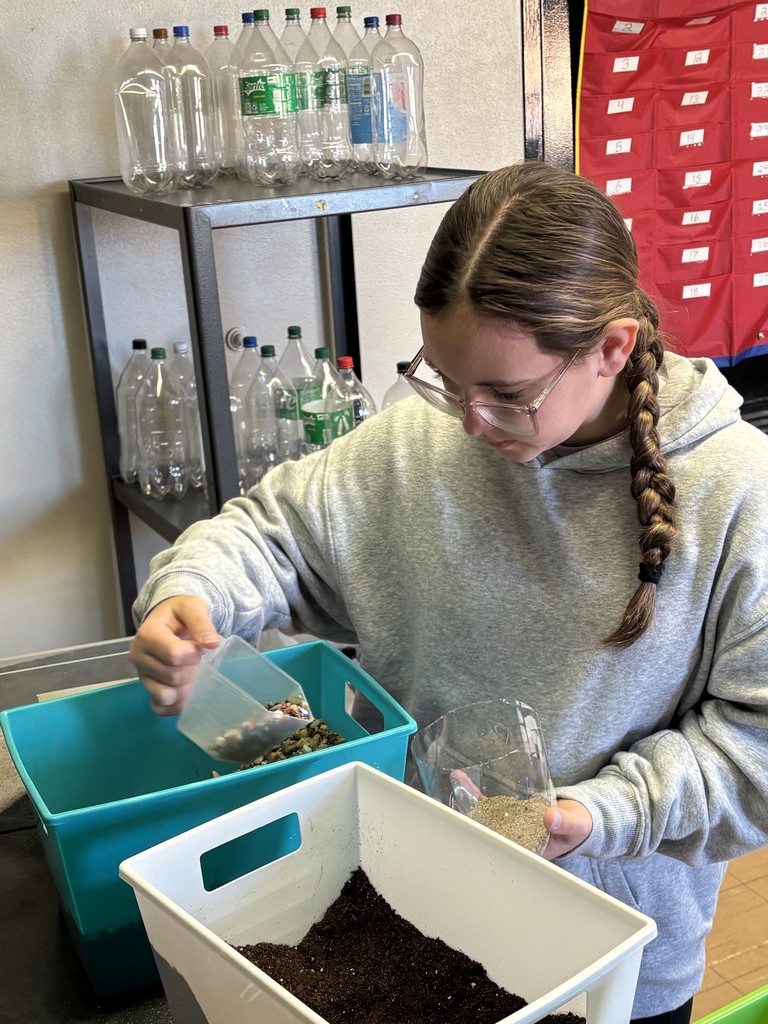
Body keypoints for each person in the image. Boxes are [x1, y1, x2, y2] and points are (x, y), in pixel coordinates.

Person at [129, 161, 768, 1024]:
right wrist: (193, 590)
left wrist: (602, 814)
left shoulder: (738, 495)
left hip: (609, 959)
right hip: (406, 915)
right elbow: (273, 532)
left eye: (508, 394)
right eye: (444, 379)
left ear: (613, 349)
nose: (469, 422)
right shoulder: (419, 441)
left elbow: (755, 750)